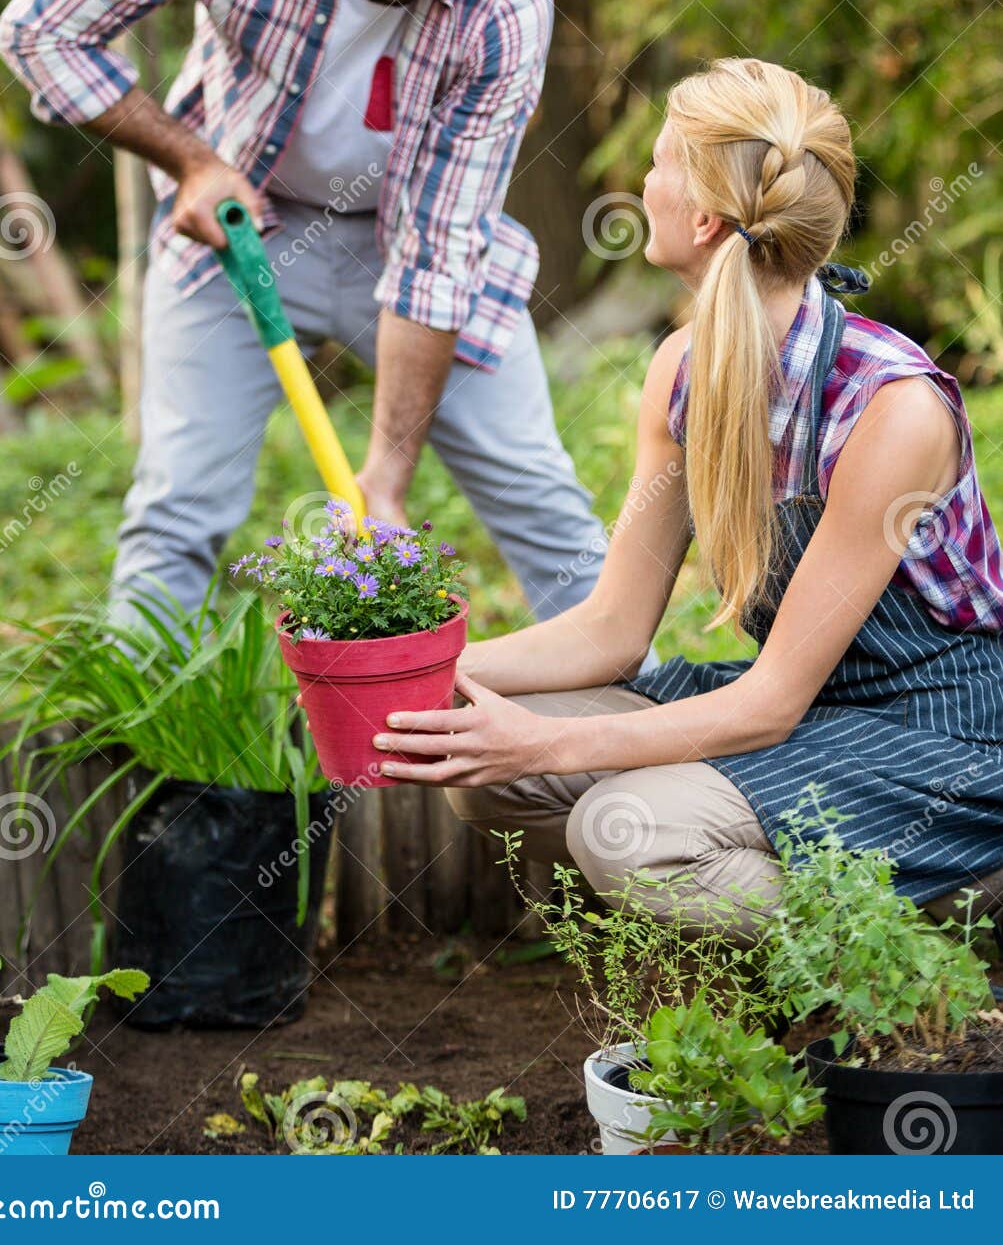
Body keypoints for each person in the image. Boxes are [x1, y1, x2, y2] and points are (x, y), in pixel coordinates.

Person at [0, 0, 637, 644]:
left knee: (542, 503)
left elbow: (439, 252)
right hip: (241, 227)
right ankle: (144, 760)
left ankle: (636, 732)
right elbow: (41, 28)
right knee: (178, 503)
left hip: (414, 248)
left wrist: (385, 476)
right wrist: (189, 159)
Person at [370, 57, 1003, 940]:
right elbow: (612, 628)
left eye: (660, 162)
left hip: (939, 732)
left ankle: (915, 942)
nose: (642, 180)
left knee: (628, 834)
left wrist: (550, 742)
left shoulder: (888, 408)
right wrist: (416, 678)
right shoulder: (681, 371)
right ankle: (737, 944)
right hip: (808, 702)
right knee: (485, 762)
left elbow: (767, 705)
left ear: (703, 217)